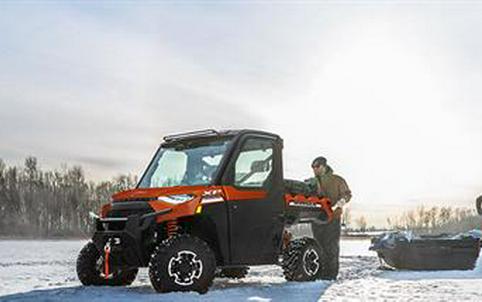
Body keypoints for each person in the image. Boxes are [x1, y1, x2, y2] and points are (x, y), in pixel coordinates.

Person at [307, 156, 351, 280]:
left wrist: (339, 204)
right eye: (313, 167)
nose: (314, 169)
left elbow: (347, 194)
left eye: (317, 166)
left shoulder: (337, 180)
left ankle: (331, 275)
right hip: (316, 218)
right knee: (318, 245)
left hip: (333, 218)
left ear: (324, 166)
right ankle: (319, 272)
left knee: (331, 246)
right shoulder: (311, 182)